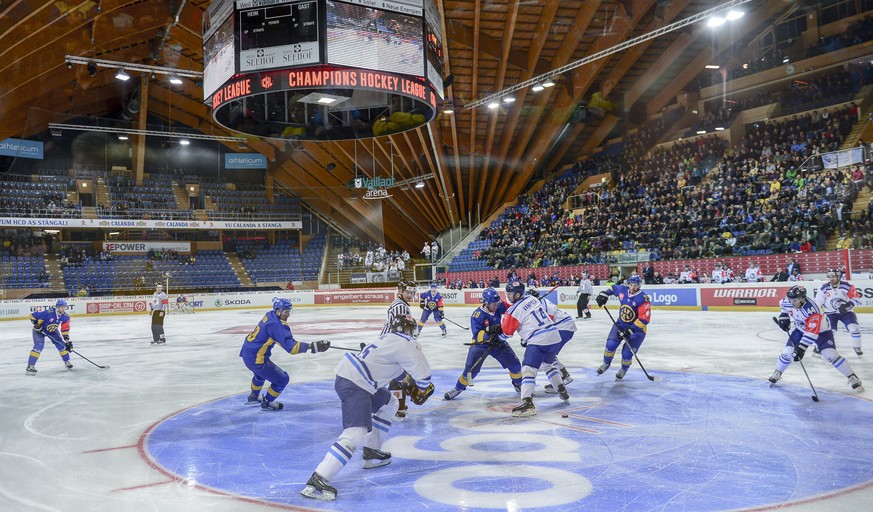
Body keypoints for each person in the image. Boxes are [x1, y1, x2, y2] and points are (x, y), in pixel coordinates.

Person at [300, 314, 433, 501]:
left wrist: (407, 381)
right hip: (358, 383)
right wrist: (421, 389)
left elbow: (394, 368)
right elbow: (424, 378)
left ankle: (371, 451)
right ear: (409, 330)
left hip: (357, 378)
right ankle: (318, 479)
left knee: (390, 403)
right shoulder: (408, 343)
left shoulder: (386, 338)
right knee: (355, 433)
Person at [240, 298, 331, 411]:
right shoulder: (276, 325)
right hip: (256, 359)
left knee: (260, 375)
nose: (288, 314)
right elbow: (292, 348)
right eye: (286, 311)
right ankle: (267, 402)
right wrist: (313, 347)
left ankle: (253, 397)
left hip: (247, 352)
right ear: (278, 311)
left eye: (289, 311)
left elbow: (274, 337)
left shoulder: (270, 315)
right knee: (282, 379)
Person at [770, 286, 863, 392]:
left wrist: (801, 348)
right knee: (788, 352)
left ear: (802, 298)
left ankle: (852, 376)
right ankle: (778, 372)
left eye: (794, 300)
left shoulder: (812, 309)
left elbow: (812, 332)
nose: (792, 303)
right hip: (800, 329)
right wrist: (783, 316)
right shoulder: (790, 300)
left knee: (830, 354)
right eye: (790, 300)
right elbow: (783, 304)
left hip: (822, 331)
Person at [500, 280, 567, 417]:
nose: (508, 296)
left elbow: (507, 333)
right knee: (548, 364)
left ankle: (528, 403)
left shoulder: (514, 310)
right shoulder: (532, 299)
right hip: (554, 336)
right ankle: (561, 389)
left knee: (528, 370)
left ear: (517, 295)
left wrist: (497, 331)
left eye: (510, 293)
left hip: (538, 339)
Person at [443, 288, 521, 400]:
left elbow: (513, 309)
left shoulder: (499, 306)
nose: (496, 305)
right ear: (486, 302)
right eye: (493, 303)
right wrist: (490, 331)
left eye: (497, 302)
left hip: (497, 343)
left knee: (515, 365)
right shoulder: (477, 315)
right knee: (470, 371)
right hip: (480, 346)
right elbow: (477, 335)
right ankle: (458, 388)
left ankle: (518, 384)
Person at [594, 275, 651, 379]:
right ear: (628, 284)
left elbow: (644, 319)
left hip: (637, 330)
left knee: (627, 354)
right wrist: (605, 294)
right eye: (631, 285)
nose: (633, 287)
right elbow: (613, 288)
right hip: (620, 324)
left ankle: (624, 369)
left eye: (636, 285)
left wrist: (629, 330)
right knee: (610, 345)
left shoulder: (643, 299)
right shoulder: (623, 289)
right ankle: (606, 363)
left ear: (639, 285)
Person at [528, 287, 576, 394]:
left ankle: (562, 378)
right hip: (564, 326)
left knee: (547, 355)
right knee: (550, 354)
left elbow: (546, 324)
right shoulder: (540, 303)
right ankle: (564, 375)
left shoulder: (541, 305)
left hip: (564, 327)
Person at [382, 279, 417, 419]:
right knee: (399, 376)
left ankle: (397, 405)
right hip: (393, 346)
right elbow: (400, 329)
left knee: (397, 376)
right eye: (408, 292)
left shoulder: (400, 304)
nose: (410, 295)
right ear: (400, 292)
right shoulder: (400, 306)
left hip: (390, 344)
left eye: (412, 292)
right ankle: (397, 407)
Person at [816, 269, 863, 356]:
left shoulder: (847, 286)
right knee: (830, 331)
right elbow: (818, 303)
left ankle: (857, 347)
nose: (831, 278)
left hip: (846, 312)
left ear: (839, 276)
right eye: (829, 276)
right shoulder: (823, 288)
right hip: (830, 313)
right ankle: (819, 347)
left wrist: (848, 305)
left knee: (854, 328)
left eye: (833, 276)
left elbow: (856, 298)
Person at [26, 299, 73, 375]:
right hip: (39, 331)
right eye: (62, 307)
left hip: (52, 330)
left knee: (61, 345)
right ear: (57, 307)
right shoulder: (48, 313)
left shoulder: (65, 317)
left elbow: (65, 329)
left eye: (65, 307)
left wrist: (67, 342)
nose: (64, 309)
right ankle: (30, 366)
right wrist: (36, 324)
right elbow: (32, 315)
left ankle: (67, 362)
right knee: (39, 346)